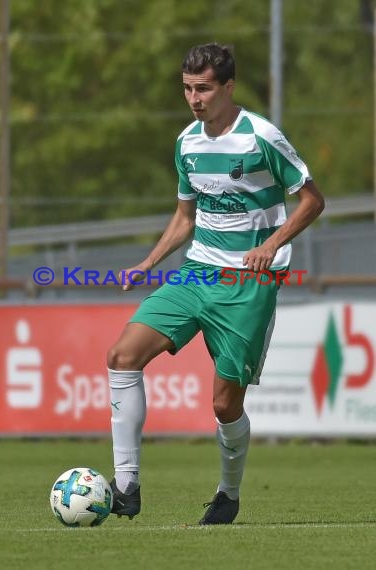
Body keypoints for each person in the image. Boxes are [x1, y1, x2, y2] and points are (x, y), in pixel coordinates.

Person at [107, 43, 324, 525]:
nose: (194, 98)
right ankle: (126, 485)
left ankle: (228, 494)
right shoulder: (187, 142)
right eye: (187, 88)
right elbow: (186, 216)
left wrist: (272, 243)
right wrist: (149, 261)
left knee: (225, 404)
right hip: (197, 273)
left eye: (203, 88)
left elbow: (312, 200)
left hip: (249, 283)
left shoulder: (261, 137)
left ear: (228, 86)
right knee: (122, 356)